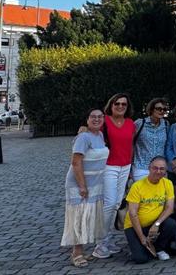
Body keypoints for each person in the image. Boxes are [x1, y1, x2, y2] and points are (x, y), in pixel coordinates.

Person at [61, 109, 108, 267]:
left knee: (87, 218)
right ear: (87, 120)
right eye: (93, 117)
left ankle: (82, 250)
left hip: (95, 183)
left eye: (100, 117)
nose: (96, 119)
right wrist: (82, 186)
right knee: (79, 218)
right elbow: (76, 162)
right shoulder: (83, 137)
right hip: (80, 184)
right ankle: (77, 252)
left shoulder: (100, 136)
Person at [93, 93, 136, 259]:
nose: (120, 106)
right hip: (109, 166)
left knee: (117, 203)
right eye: (117, 103)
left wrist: (131, 166)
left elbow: (130, 145)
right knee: (109, 204)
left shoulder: (130, 123)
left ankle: (108, 239)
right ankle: (100, 243)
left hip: (125, 166)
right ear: (111, 105)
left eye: (123, 104)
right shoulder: (105, 121)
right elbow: (90, 131)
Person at [123, 156, 176, 264]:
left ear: (165, 170)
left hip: (154, 224)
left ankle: (158, 248)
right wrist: (142, 238)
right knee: (141, 259)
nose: (158, 171)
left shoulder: (167, 183)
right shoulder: (137, 186)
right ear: (149, 168)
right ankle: (142, 245)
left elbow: (169, 208)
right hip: (134, 226)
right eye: (155, 168)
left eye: (162, 169)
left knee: (171, 224)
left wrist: (156, 224)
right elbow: (132, 214)